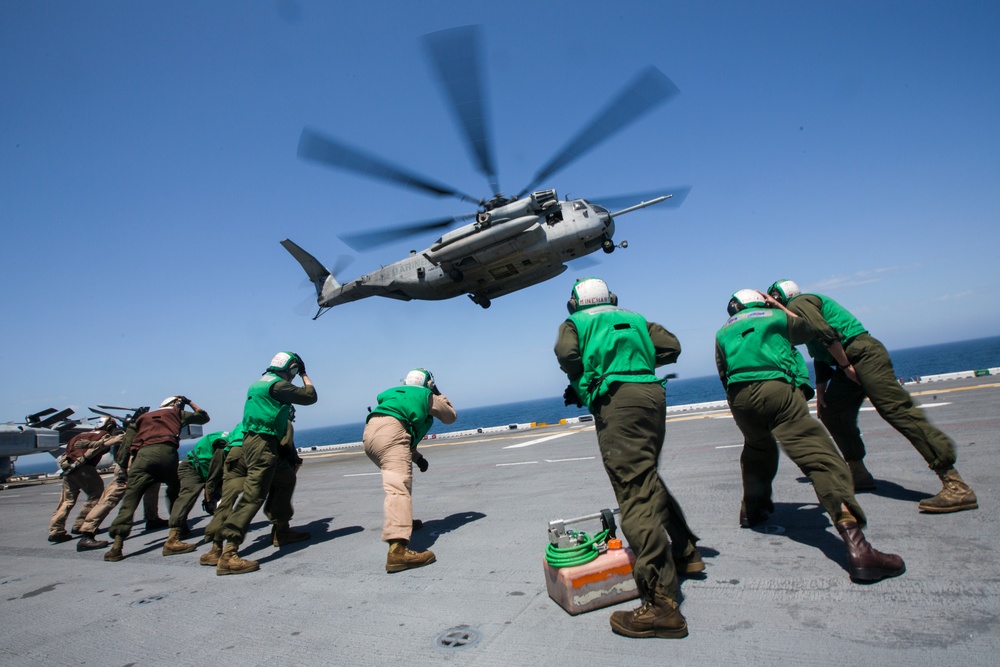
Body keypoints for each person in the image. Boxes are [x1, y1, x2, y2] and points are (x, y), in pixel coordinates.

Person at [716, 289, 905, 583]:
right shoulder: (776, 316)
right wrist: (778, 305)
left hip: (740, 397)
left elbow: (723, 371)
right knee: (819, 457)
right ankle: (859, 547)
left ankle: (752, 510)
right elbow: (808, 330)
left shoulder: (723, 331)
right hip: (776, 389)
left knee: (756, 449)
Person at [554, 277, 699, 640]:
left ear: (574, 303)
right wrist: (633, 359)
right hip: (652, 395)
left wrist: (587, 377)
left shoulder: (577, 323)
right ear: (612, 298)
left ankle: (662, 605)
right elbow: (670, 346)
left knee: (634, 493)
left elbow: (566, 354)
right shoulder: (635, 318)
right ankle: (685, 552)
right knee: (646, 477)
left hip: (617, 401)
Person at [768, 279, 977, 512]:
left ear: (779, 297)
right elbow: (819, 353)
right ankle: (858, 471)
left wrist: (846, 366)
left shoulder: (800, 302)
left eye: (772, 301)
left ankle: (955, 484)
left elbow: (825, 333)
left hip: (861, 356)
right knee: (831, 412)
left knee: (895, 410)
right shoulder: (797, 309)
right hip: (842, 361)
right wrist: (822, 393)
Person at [216, 352, 317, 575]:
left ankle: (282, 530)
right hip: (262, 443)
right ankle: (229, 553)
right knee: (254, 494)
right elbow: (310, 396)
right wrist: (304, 374)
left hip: (259, 441)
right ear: (290, 369)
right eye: (294, 371)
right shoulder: (277, 386)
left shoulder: (259, 383)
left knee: (286, 478)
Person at [363, 368, 456, 573]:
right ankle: (398, 551)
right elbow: (450, 417)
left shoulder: (395, 394)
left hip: (370, 435)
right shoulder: (425, 394)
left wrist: (418, 458)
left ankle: (402, 521)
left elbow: (398, 429)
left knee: (399, 479)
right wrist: (439, 395)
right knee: (399, 487)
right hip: (392, 434)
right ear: (428, 384)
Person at [103, 396, 210, 562]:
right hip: (166, 453)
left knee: (130, 499)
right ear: (176, 404)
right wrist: (189, 402)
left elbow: (125, 445)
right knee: (176, 492)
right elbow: (204, 417)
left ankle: (116, 546)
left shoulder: (141, 419)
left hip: (142, 457)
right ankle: (176, 535)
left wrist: (123, 467)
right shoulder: (177, 413)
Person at [48, 417, 117, 544]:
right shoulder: (105, 435)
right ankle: (81, 525)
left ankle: (56, 531)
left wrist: (67, 466)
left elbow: (66, 452)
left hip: (69, 469)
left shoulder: (80, 435)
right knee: (96, 495)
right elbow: (94, 450)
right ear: (109, 427)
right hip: (84, 468)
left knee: (67, 501)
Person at [161, 430, 230, 556]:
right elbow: (214, 472)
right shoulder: (224, 442)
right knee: (187, 497)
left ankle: (190, 529)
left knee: (220, 497)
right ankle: (172, 539)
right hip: (192, 468)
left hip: (207, 469)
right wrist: (209, 493)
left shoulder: (231, 439)